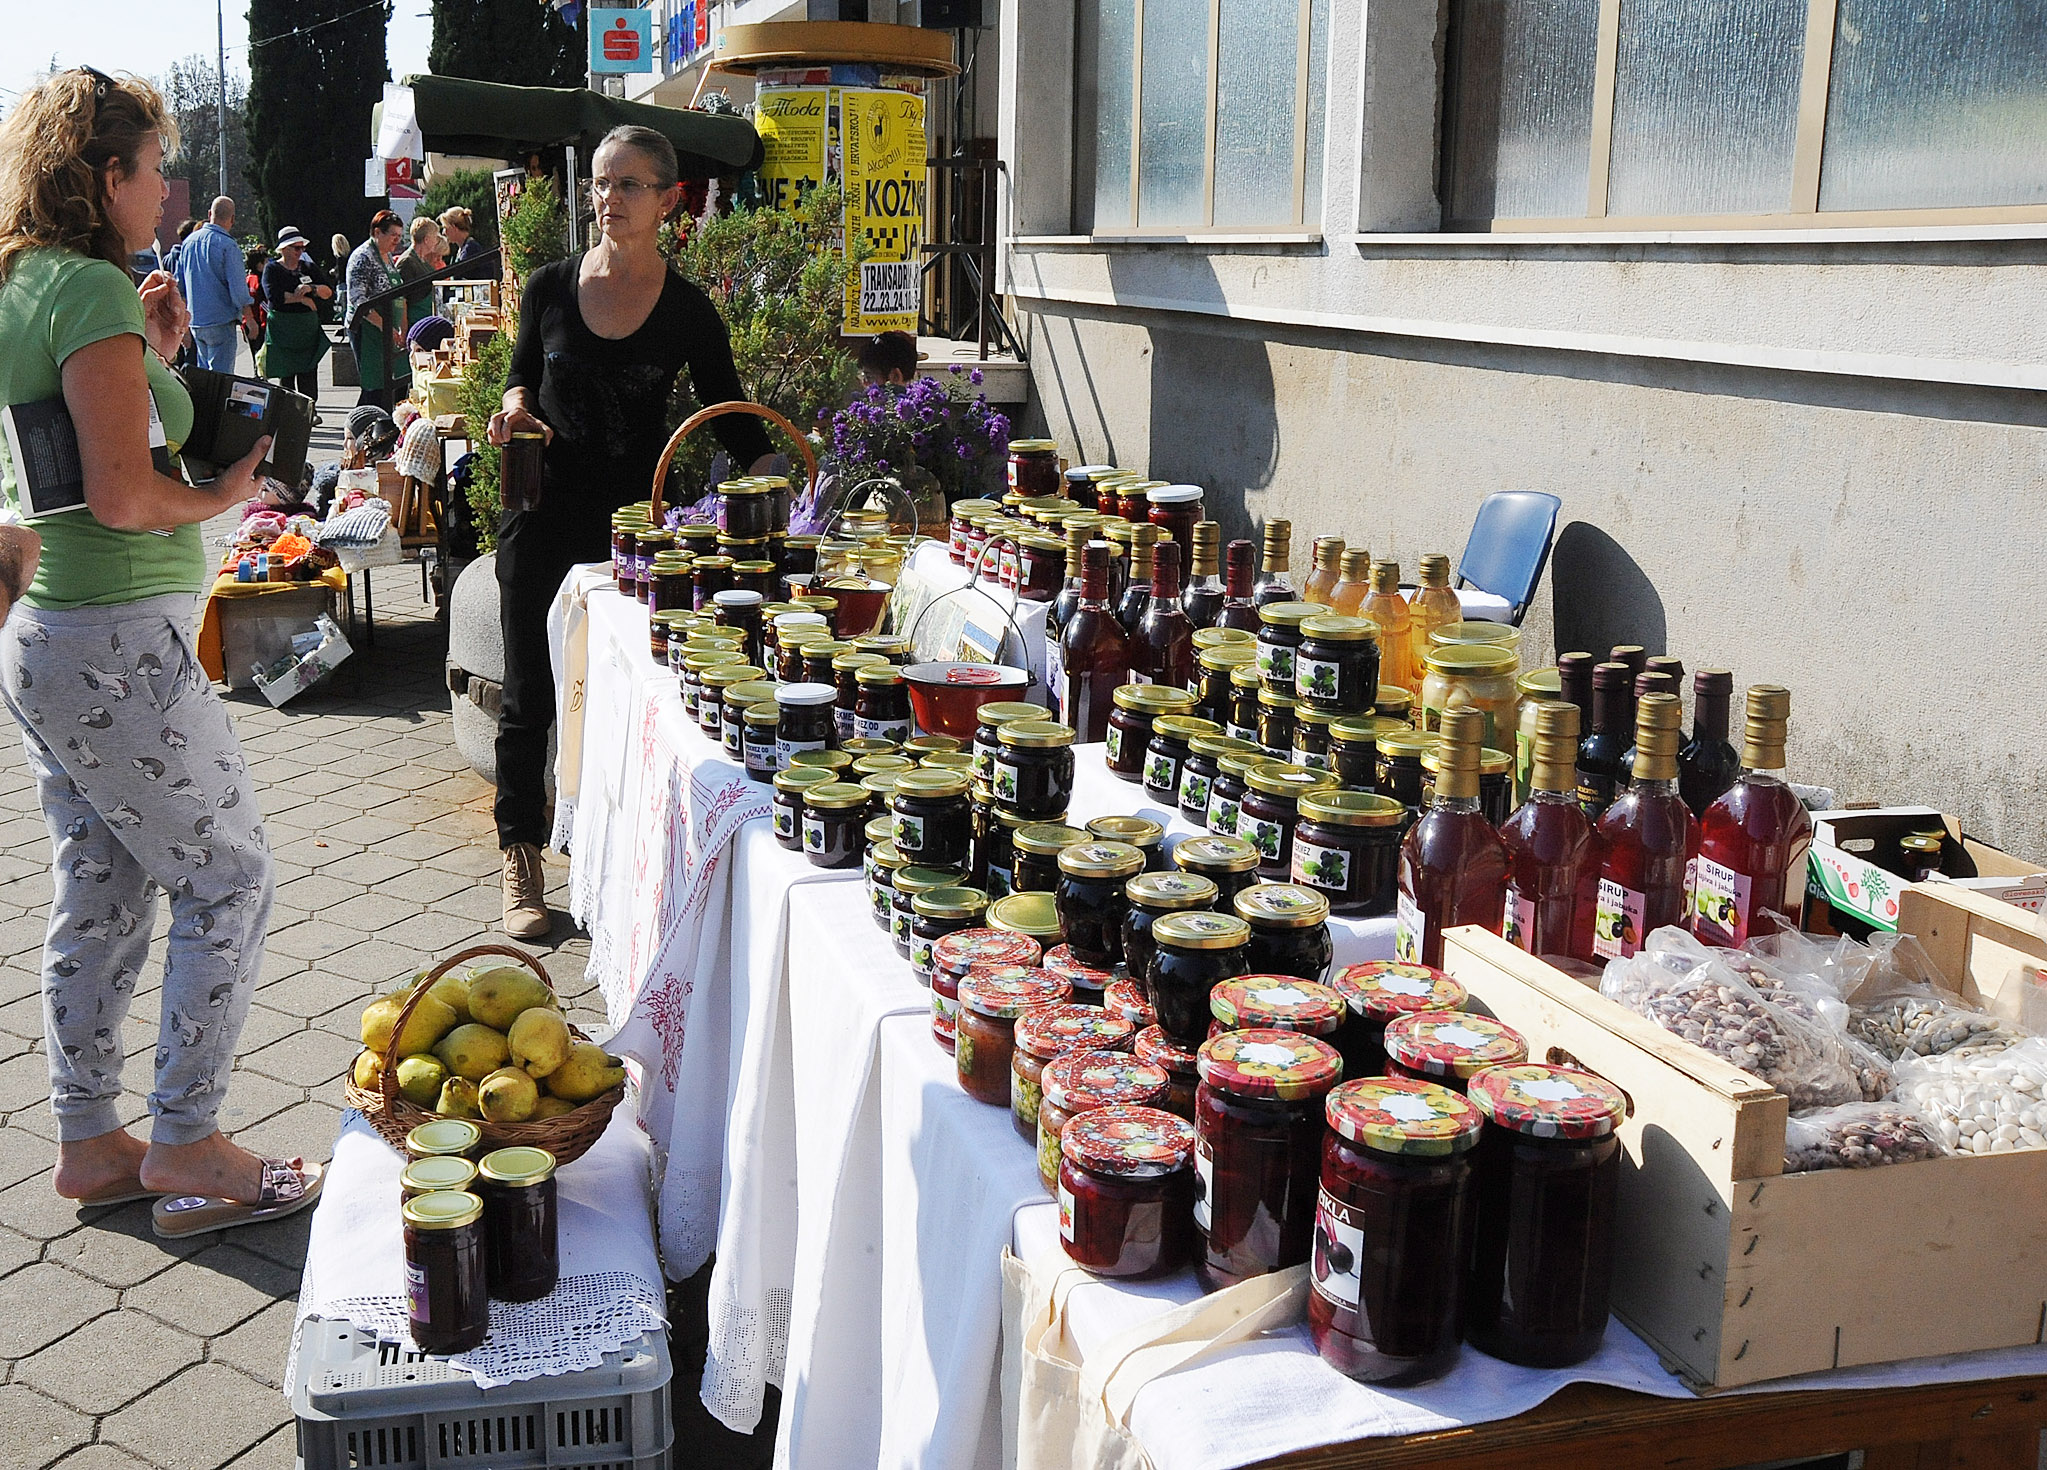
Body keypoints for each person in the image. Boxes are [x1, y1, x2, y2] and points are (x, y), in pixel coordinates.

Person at [0, 67, 319, 1232]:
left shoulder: (30, 284)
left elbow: (76, 466)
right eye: (152, 168)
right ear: (103, 177)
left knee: (101, 895)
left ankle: (91, 1141)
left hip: (53, 636)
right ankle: (188, 1143)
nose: (166, 190)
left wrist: (154, 357)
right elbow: (129, 496)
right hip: (117, 642)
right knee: (230, 878)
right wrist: (223, 498)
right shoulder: (81, 285)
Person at [488, 124, 775, 938]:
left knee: (623, 700)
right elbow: (520, 381)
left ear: (667, 200)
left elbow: (731, 418)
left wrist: (786, 470)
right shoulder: (550, 286)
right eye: (602, 184)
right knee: (527, 695)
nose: (607, 199)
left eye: (627, 186)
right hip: (541, 518)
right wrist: (513, 410)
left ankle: (616, 860)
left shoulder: (687, 310)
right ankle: (521, 856)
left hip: (634, 539)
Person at [170, 194, 250, 373]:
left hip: (197, 320)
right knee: (222, 377)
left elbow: (179, 285)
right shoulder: (228, 245)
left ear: (209, 213)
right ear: (233, 219)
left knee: (204, 373)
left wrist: (182, 322)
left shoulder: (188, 243)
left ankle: (204, 402)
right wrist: (249, 317)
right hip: (221, 319)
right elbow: (238, 288)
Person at [344, 209, 409, 411]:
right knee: (374, 388)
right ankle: (359, 428)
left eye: (399, 236)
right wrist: (387, 328)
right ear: (377, 232)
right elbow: (358, 301)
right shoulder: (362, 258)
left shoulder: (387, 256)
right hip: (368, 330)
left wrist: (403, 328)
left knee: (389, 385)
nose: (396, 240)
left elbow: (399, 293)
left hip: (390, 329)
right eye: (393, 235)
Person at [260, 226, 330, 407]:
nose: (300, 252)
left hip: (306, 328)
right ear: (284, 249)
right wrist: (303, 301)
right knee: (286, 372)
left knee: (309, 370)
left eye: (302, 248)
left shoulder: (308, 267)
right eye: (296, 248)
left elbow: (327, 292)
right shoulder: (273, 269)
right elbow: (273, 296)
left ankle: (309, 410)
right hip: (284, 327)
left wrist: (311, 289)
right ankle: (288, 411)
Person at [394, 214, 443, 334]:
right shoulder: (407, 262)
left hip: (426, 321)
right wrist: (404, 330)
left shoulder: (421, 259)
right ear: (426, 239)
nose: (437, 241)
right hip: (415, 325)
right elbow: (401, 299)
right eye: (435, 237)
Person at [241, 242, 269, 359]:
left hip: (248, 322)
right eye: (266, 262)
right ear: (259, 265)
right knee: (262, 356)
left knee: (255, 354)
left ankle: (257, 375)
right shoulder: (261, 281)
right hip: (260, 324)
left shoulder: (246, 279)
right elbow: (264, 304)